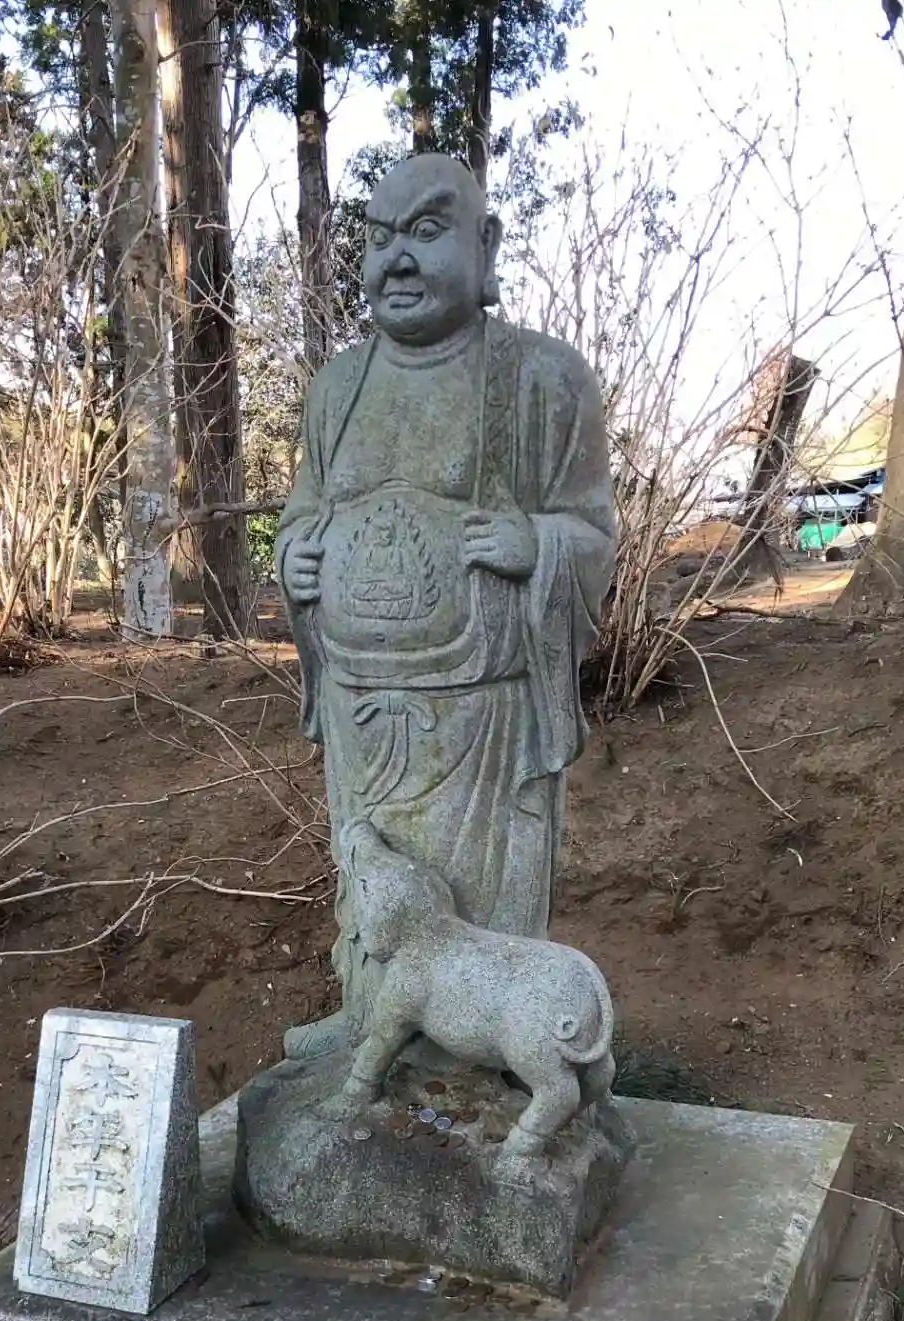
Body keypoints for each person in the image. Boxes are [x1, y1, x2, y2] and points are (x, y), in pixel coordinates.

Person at [275, 152, 616, 1060]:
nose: (396, 259)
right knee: (373, 876)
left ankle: (492, 1050)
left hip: (485, 717)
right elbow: (305, 512)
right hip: (360, 706)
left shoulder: (542, 379)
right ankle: (372, 1020)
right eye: (379, 238)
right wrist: (294, 555)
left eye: (425, 232)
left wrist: (537, 544)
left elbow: (591, 533)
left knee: (484, 906)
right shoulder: (337, 389)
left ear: (484, 244)